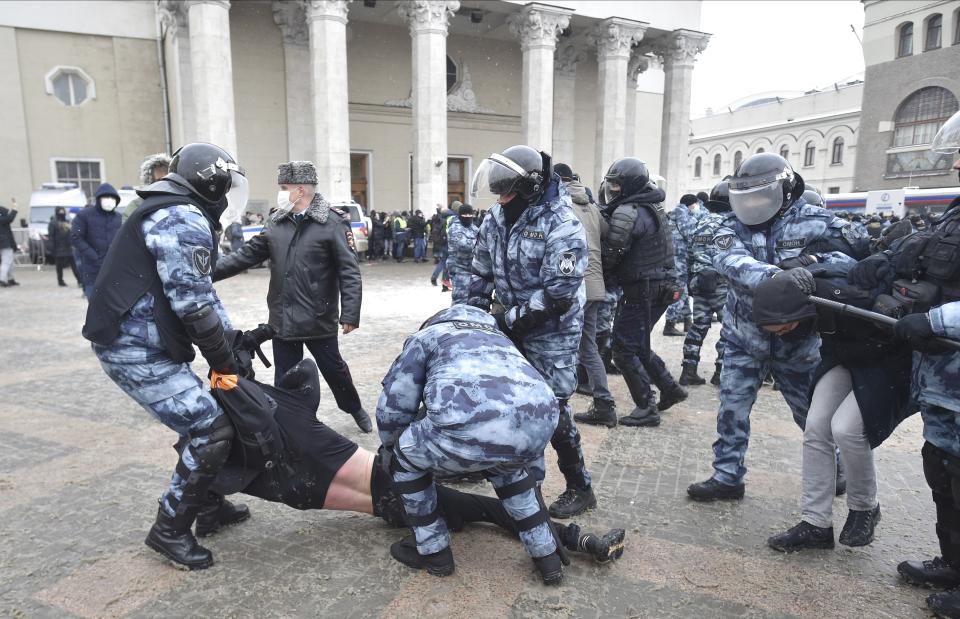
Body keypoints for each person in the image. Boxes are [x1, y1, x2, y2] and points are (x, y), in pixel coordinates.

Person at [200, 354, 627, 577]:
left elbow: (207, 481)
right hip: (388, 482)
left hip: (332, 498)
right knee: (491, 508)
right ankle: (578, 540)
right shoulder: (282, 407)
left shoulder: (237, 450)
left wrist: (210, 513)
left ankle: (569, 541)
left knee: (474, 510)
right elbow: (305, 371)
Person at [82, 142, 252, 570]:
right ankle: (169, 530)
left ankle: (210, 508)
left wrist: (233, 342)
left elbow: (204, 293)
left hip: (143, 342)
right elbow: (193, 304)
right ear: (211, 182)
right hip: (134, 349)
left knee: (215, 417)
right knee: (210, 430)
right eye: (226, 187)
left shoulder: (171, 207)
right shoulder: (181, 216)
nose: (228, 196)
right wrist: (223, 362)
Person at [686, 152, 868, 502]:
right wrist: (784, 277)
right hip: (743, 339)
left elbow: (856, 257)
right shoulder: (728, 225)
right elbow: (732, 262)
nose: (752, 203)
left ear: (784, 191)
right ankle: (727, 476)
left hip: (798, 343)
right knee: (732, 410)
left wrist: (813, 262)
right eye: (745, 196)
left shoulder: (815, 220)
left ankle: (836, 469)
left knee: (811, 415)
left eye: (760, 195)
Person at [376, 304, 573, 582]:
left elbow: (394, 407)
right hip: (536, 426)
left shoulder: (428, 337)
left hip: (470, 425)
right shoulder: (500, 337)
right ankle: (547, 558)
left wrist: (391, 448)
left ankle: (433, 552)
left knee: (405, 459)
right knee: (509, 469)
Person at [863, 110, 960, 618]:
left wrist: (938, 319)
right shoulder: (956, 209)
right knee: (941, 469)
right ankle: (953, 562)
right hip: (943, 379)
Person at [468, 145, 595, 519]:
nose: (500, 199)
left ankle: (579, 485)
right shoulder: (496, 217)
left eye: (507, 192)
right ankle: (517, 478)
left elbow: (558, 293)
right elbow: (479, 271)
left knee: (551, 405)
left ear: (530, 187)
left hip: (554, 328)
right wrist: (470, 315)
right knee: (505, 396)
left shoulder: (563, 224)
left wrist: (505, 321)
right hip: (510, 320)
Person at [752, 265, 913, 553]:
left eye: (786, 327)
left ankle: (865, 508)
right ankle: (815, 524)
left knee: (847, 429)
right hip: (844, 357)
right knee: (816, 426)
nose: (784, 334)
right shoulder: (799, 296)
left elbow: (854, 262)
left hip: (885, 363)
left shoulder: (847, 299)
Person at [213, 160, 371, 434]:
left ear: (300, 191)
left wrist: (350, 313)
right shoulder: (276, 222)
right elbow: (247, 255)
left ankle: (354, 408)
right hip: (282, 318)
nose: (281, 193)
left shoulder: (332, 223)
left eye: (284, 188)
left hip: (317, 317)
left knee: (335, 372)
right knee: (285, 378)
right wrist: (208, 273)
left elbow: (349, 272)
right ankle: (291, 425)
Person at [599, 158, 687, 428]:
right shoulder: (651, 207)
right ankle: (670, 388)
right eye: (610, 184)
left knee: (623, 350)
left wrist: (599, 274)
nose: (612, 190)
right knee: (639, 344)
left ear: (628, 186)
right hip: (659, 285)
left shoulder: (628, 211)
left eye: (616, 185)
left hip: (643, 288)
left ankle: (646, 406)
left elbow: (612, 253)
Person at [552, 163, 616, 428]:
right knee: (588, 346)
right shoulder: (592, 207)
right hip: (595, 286)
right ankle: (603, 402)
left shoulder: (557, 204)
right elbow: (606, 235)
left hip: (572, 285)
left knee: (560, 345)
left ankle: (557, 405)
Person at [679, 181, 732, 387]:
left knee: (698, 325)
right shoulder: (729, 224)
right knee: (729, 327)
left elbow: (690, 254)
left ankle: (688, 370)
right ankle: (720, 370)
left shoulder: (698, 223)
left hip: (700, 281)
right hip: (721, 284)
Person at [71, 183, 123, 298]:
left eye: (112, 197)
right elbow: (76, 237)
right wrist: (93, 255)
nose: (109, 200)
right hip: (92, 271)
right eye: (105, 197)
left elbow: (125, 240)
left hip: (114, 272)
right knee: (94, 306)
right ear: (98, 199)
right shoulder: (84, 215)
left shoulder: (119, 218)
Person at [663, 194, 702, 336]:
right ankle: (669, 323)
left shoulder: (674, 214)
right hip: (679, 259)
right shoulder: (683, 215)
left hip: (674, 258)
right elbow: (690, 234)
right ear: (691, 204)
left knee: (683, 289)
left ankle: (687, 321)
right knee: (680, 290)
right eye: (696, 204)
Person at [445, 203, 478, 305]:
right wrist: (480, 246)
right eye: (465, 216)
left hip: (472, 269)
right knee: (460, 299)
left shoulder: (473, 227)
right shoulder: (455, 228)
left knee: (472, 299)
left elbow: (483, 238)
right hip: (459, 268)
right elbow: (463, 246)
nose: (468, 218)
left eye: (470, 216)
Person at [123, 153, 171, 221]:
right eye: (159, 180)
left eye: (167, 179)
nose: (163, 183)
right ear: (150, 181)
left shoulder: (180, 200)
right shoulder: (136, 206)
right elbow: (128, 230)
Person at [48, 207, 80, 287]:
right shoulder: (53, 223)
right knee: (59, 266)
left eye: (63, 212)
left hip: (68, 246)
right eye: (60, 212)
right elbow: (51, 236)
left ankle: (80, 280)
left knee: (74, 265)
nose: (62, 213)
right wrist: (52, 247)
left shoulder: (67, 222)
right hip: (58, 247)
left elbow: (71, 233)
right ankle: (60, 280)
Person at [0, 198, 18, 288]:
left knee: (9, 262)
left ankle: (11, 279)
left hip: (4, 242)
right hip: (4, 242)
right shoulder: (2, 219)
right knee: (6, 261)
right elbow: (10, 218)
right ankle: (2, 279)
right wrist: (14, 207)